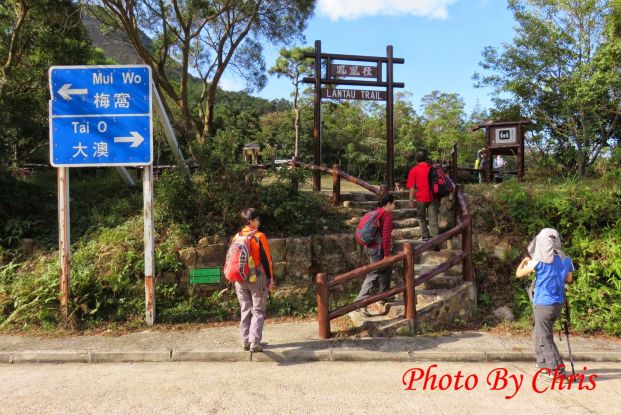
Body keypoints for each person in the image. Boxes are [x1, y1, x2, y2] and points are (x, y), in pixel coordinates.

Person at [515, 228, 574, 382]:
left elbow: (519, 274)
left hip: (543, 303)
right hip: (557, 303)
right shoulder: (565, 259)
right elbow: (568, 279)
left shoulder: (538, 260)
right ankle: (543, 364)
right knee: (538, 333)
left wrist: (523, 261)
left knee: (544, 336)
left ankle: (556, 370)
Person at [232, 208, 274, 352]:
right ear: (251, 221)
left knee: (245, 309)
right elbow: (267, 260)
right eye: (257, 219)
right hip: (256, 277)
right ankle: (254, 342)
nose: (259, 221)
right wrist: (270, 278)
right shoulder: (259, 236)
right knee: (258, 310)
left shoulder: (236, 237)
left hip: (239, 278)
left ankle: (245, 340)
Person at [355, 194, 396, 314]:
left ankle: (384, 296)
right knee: (374, 272)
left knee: (387, 268)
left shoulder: (376, 212)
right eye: (393, 203)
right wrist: (387, 255)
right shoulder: (386, 214)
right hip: (377, 248)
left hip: (371, 247)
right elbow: (387, 236)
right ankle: (360, 301)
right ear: (388, 204)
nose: (394, 206)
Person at [406, 150, 438, 241]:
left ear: (416, 160)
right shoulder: (431, 168)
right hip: (432, 196)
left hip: (421, 198)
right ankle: (435, 239)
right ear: (426, 158)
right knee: (433, 218)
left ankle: (425, 236)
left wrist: (411, 200)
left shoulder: (414, 170)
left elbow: (411, 187)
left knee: (421, 217)